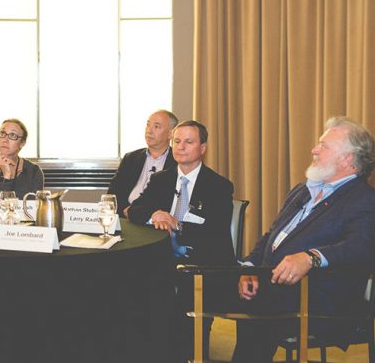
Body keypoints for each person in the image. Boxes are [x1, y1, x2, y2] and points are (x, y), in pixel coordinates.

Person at [232, 117, 375, 363]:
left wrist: (311, 258)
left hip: (322, 298)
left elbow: (360, 248)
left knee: (259, 307)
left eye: (324, 145)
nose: (314, 150)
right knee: (210, 287)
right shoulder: (303, 190)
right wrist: (250, 267)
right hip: (278, 287)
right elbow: (272, 236)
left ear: (347, 159)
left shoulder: (363, 199)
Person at [128, 120, 235, 361]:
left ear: (203, 148)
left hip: (203, 264)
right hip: (164, 261)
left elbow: (215, 231)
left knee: (180, 310)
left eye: (189, 142)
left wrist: (178, 225)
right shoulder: (161, 180)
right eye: (177, 141)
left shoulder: (219, 186)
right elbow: (135, 210)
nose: (181, 147)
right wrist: (154, 214)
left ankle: (186, 354)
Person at [107, 109, 178, 217]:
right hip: (126, 217)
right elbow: (113, 194)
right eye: (148, 125)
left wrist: (141, 213)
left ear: (170, 134)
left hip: (157, 220)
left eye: (156, 127)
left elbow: (172, 201)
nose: (149, 131)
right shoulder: (131, 158)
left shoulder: (178, 162)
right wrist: (128, 212)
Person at [0, 118, 44, 202]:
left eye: (13, 135)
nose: (5, 140)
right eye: (3, 133)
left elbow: (35, 206)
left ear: (22, 143)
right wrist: (6, 177)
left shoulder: (34, 172)